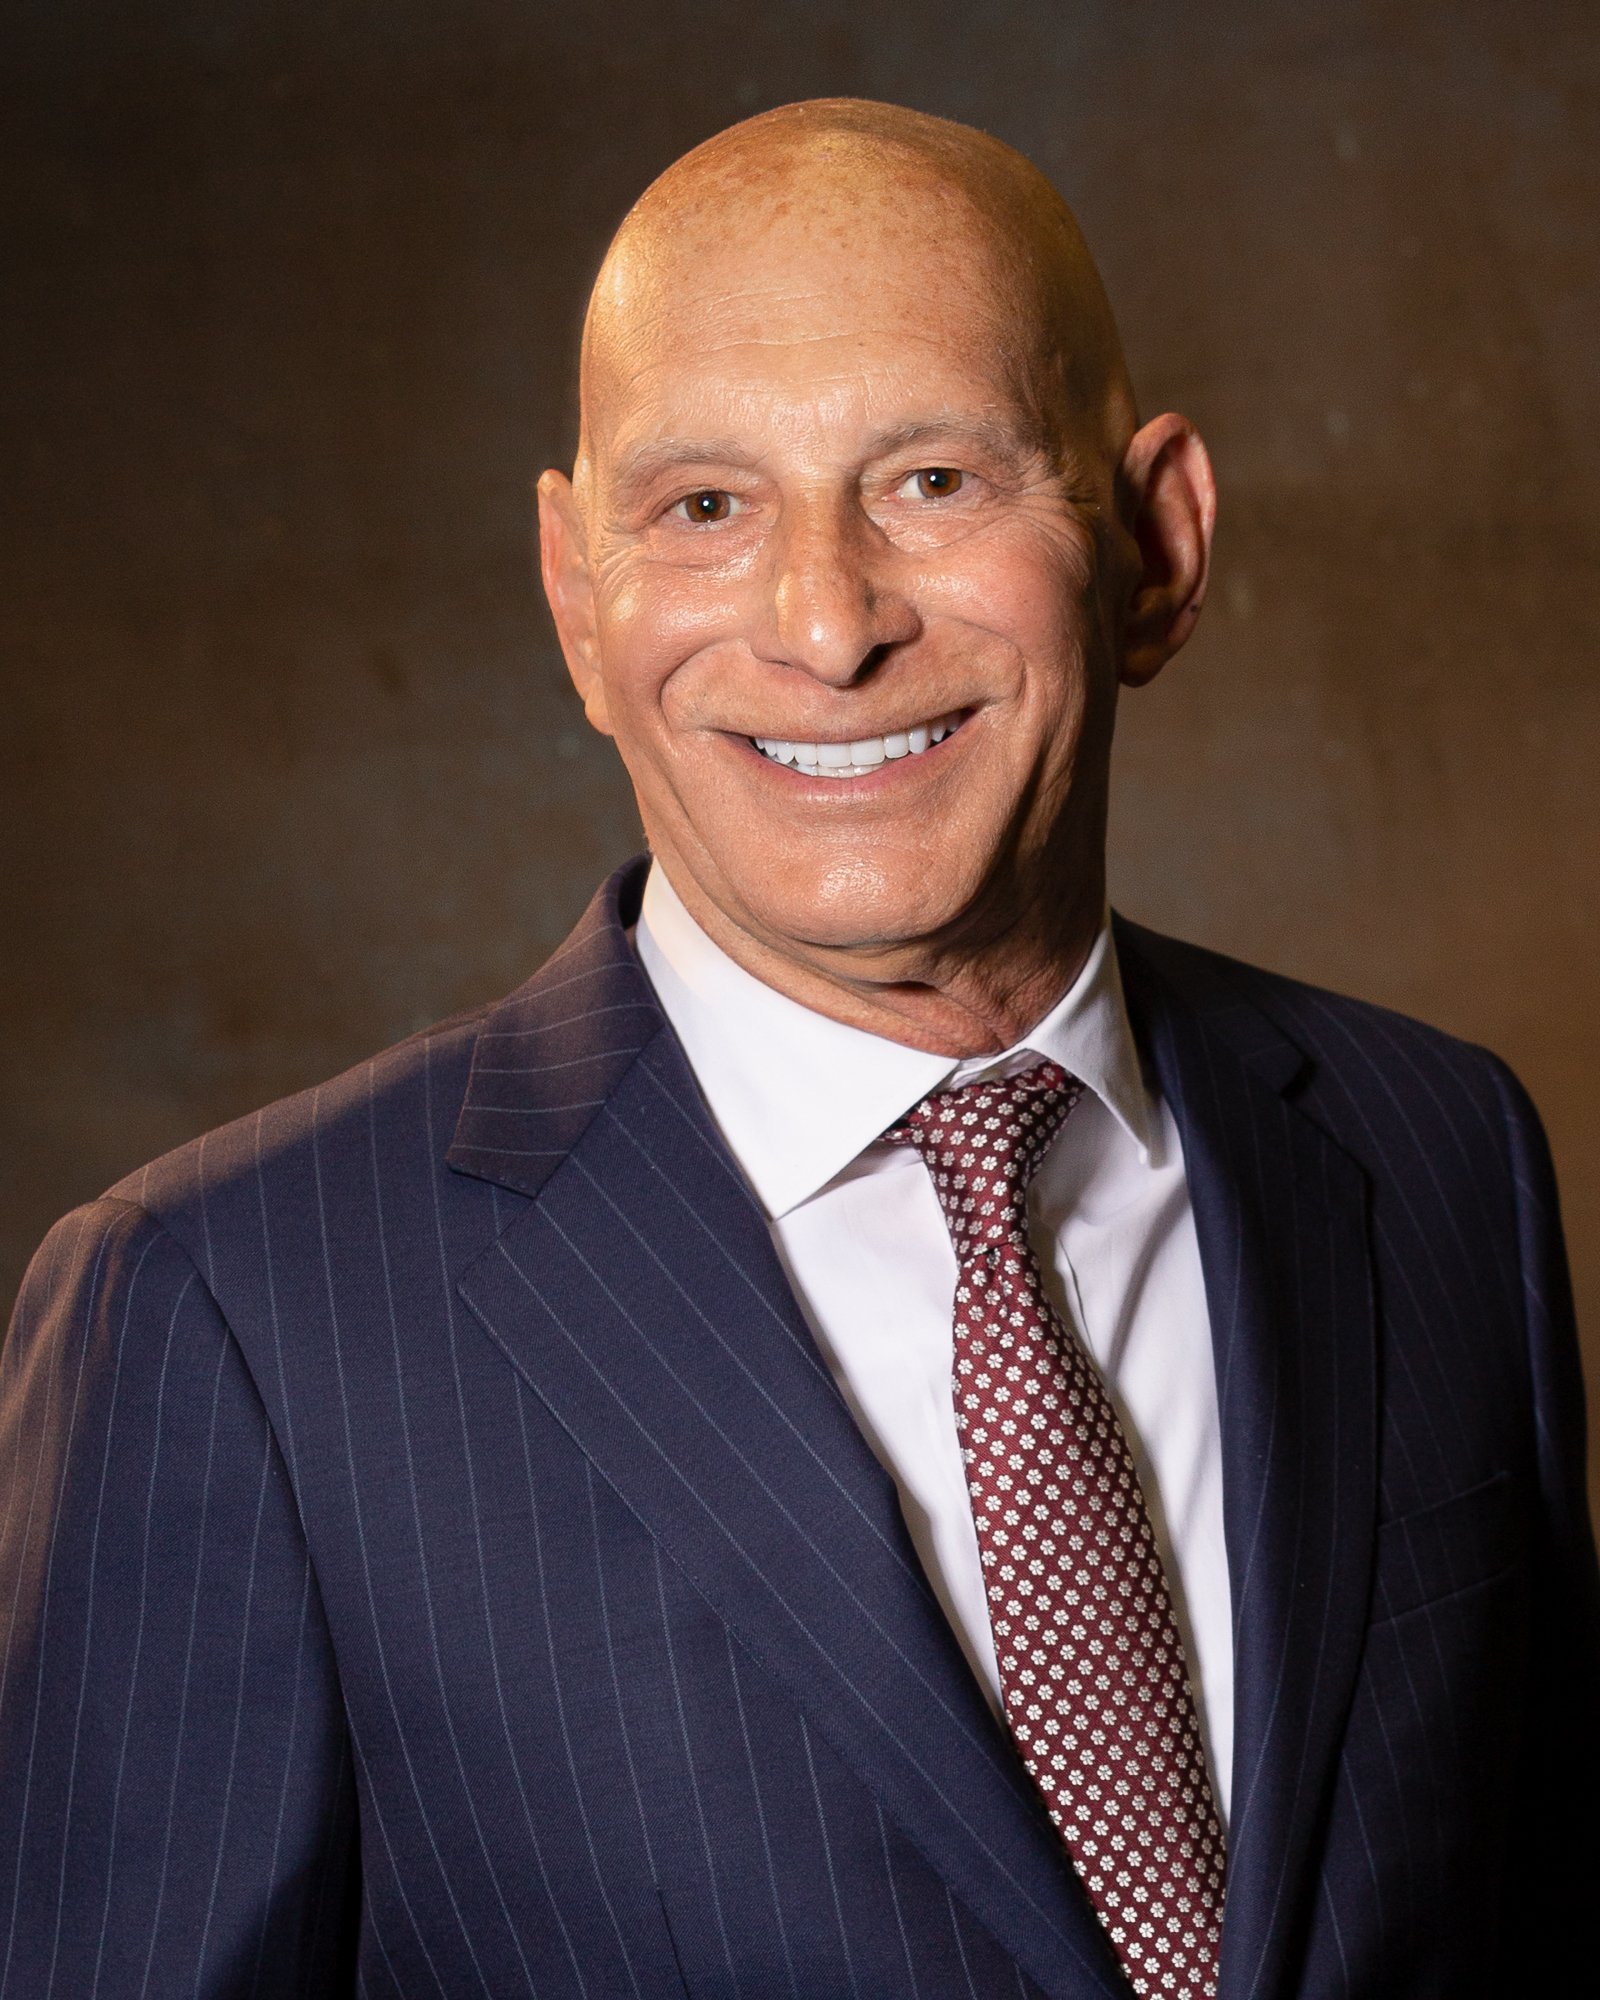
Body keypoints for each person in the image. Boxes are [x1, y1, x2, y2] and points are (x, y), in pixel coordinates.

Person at [1, 97, 1595, 2000]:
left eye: (933, 479)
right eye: (705, 507)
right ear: (577, 598)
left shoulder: (1437, 1151)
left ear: (1156, 547)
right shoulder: (231, 1316)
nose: (827, 625)